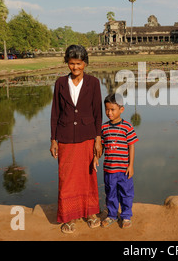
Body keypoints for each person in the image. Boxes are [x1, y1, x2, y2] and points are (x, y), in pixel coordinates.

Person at [50, 45, 103, 234]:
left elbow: (98, 112)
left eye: (79, 64)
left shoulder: (94, 83)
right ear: (67, 63)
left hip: (87, 136)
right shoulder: (60, 83)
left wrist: (98, 139)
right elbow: (55, 112)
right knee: (66, 179)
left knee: (88, 177)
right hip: (65, 137)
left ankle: (90, 213)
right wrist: (53, 140)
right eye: (71, 64)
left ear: (85, 63)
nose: (75, 68)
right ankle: (68, 217)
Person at [100, 93, 138, 229]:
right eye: (107, 109)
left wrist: (131, 165)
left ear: (121, 109)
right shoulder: (104, 128)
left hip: (123, 169)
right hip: (109, 170)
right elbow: (101, 147)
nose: (109, 113)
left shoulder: (127, 127)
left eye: (112, 109)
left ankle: (126, 216)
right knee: (110, 193)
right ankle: (111, 215)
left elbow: (131, 146)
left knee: (126, 193)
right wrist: (95, 158)